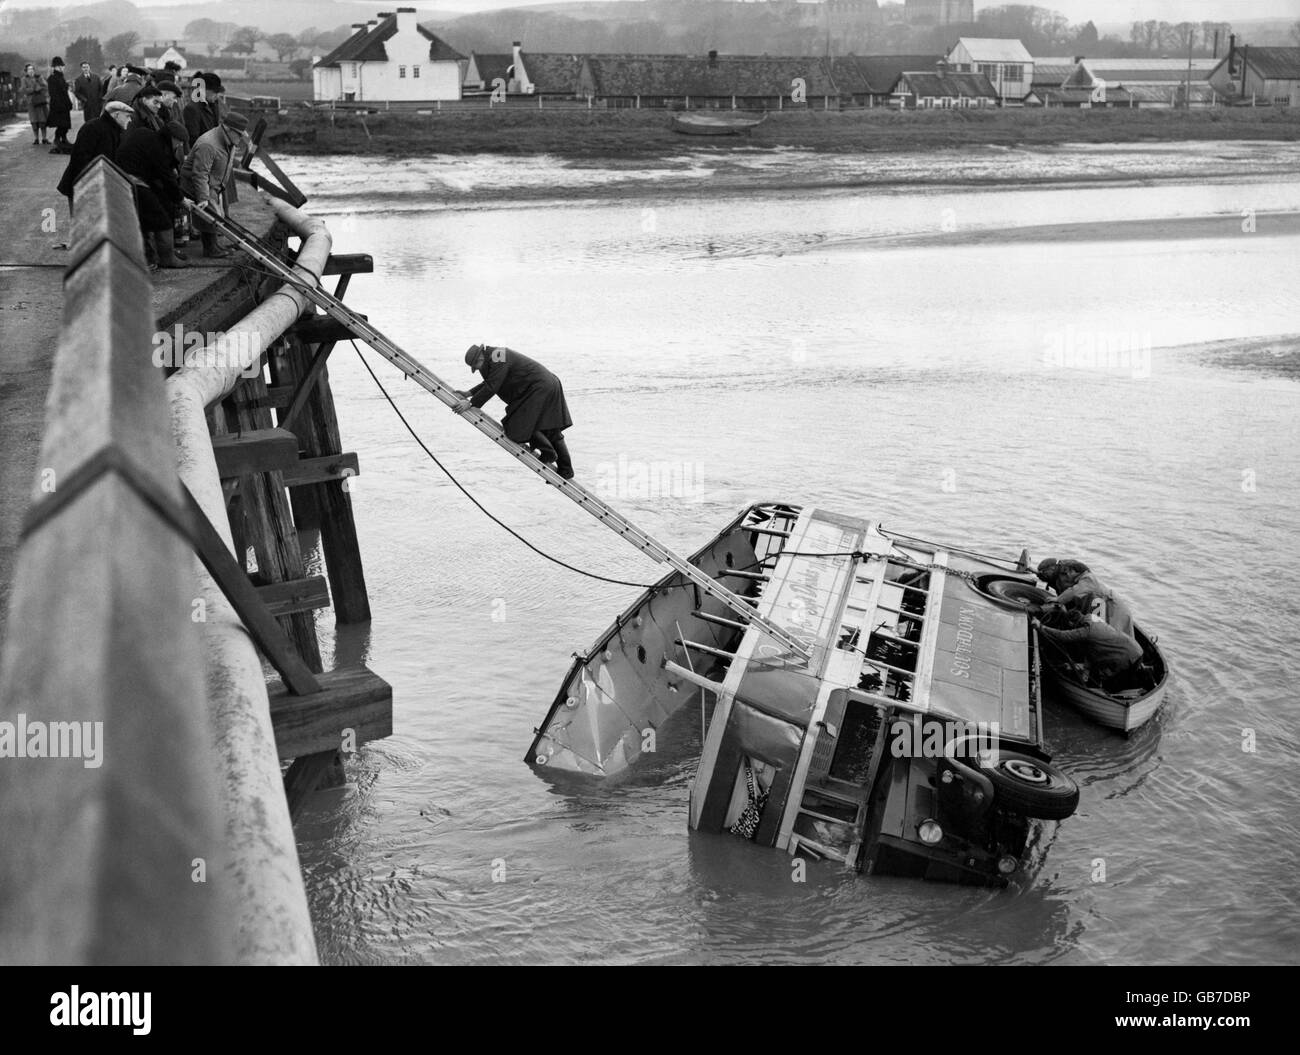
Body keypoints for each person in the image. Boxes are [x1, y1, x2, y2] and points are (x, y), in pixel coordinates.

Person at [455, 345, 575, 479]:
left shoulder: (498, 355)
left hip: (538, 388)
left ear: (481, 356)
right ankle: (566, 470)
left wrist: (471, 403)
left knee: (515, 425)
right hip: (544, 384)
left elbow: (493, 385)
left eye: (476, 365)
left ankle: (548, 453)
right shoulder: (494, 357)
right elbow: (490, 382)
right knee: (550, 430)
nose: (477, 369)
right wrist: (469, 393)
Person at [116, 98, 188, 271]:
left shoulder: (149, 136)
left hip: (122, 177)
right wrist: (181, 199)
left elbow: (160, 172)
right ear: (171, 138)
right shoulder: (159, 148)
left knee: (149, 216)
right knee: (161, 219)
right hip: (132, 181)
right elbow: (165, 177)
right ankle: (167, 258)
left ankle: (154, 256)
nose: (178, 146)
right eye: (178, 142)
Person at [179, 111, 248, 258]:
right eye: (239, 134)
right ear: (228, 129)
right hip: (196, 183)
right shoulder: (209, 144)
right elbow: (199, 173)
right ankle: (210, 249)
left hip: (212, 183)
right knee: (210, 212)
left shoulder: (229, 141)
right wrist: (203, 197)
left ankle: (214, 245)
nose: (241, 138)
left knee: (218, 213)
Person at [1033, 609, 1145, 692]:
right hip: (1136, 649)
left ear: (1072, 623)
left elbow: (1062, 636)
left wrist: (1041, 627)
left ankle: (1110, 697)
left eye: (1071, 626)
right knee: (1130, 680)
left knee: (1111, 687)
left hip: (1126, 657)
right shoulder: (1091, 616)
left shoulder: (1086, 631)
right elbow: (1091, 649)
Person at [56, 100, 133, 208]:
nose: (130, 120)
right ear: (117, 114)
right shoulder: (93, 128)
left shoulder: (115, 131)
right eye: (127, 116)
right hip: (83, 188)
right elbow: (79, 160)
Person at [1036, 557, 1136, 639]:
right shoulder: (1060, 579)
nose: (1044, 575)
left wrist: (1060, 599)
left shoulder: (1086, 578)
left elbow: (1083, 587)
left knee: (1112, 636)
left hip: (1112, 608)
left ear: (1053, 569)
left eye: (1045, 572)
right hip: (1097, 605)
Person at [46, 58, 73, 153]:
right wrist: (61, 104)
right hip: (58, 106)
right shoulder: (52, 78)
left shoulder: (61, 77)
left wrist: (68, 103)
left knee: (65, 124)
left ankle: (64, 139)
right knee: (61, 124)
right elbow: (53, 93)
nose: (63, 67)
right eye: (61, 66)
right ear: (57, 67)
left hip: (64, 105)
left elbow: (64, 91)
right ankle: (57, 139)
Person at [19, 63, 50, 145]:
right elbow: (23, 89)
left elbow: (45, 86)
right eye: (29, 69)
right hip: (31, 102)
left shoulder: (39, 77)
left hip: (40, 101)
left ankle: (44, 138)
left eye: (32, 69)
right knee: (34, 121)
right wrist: (33, 89)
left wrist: (39, 87)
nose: (31, 71)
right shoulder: (24, 79)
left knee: (43, 120)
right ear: (26, 71)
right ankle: (36, 138)